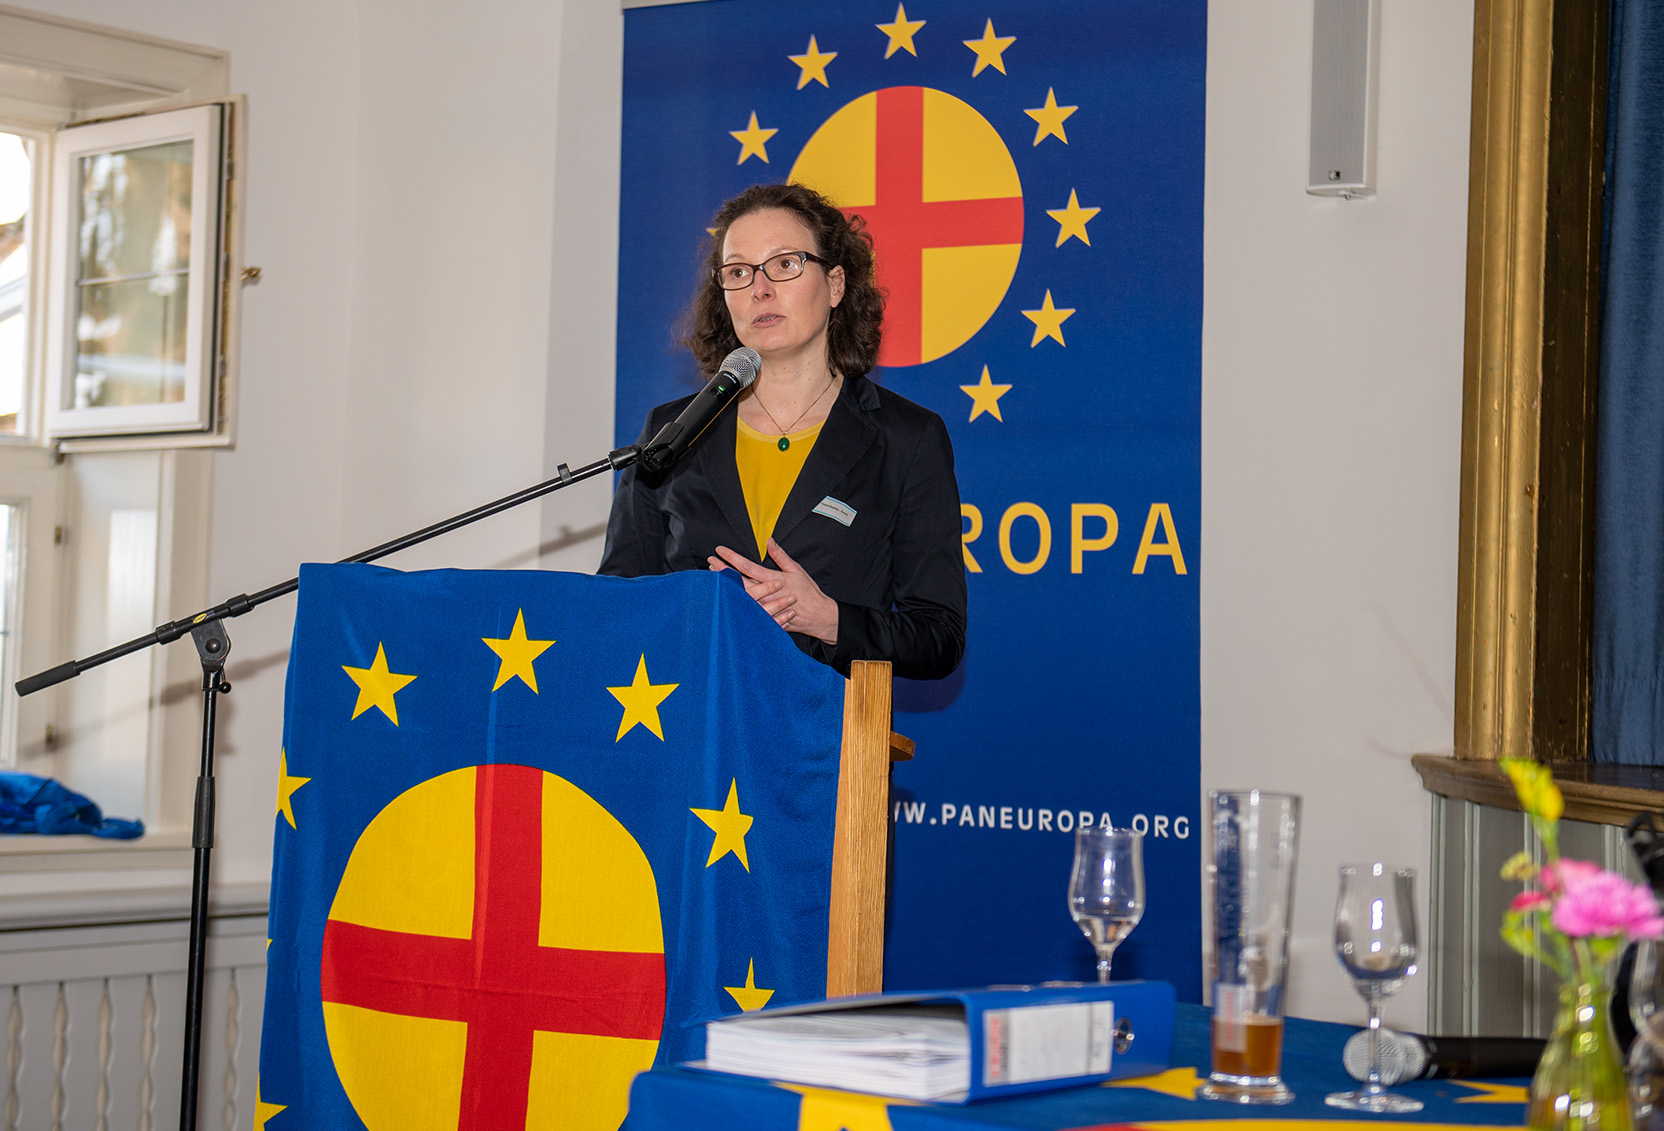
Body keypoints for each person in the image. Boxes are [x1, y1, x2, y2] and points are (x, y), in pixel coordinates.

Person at [599, 183, 966, 681]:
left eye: (785, 264)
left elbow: (939, 638)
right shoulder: (673, 432)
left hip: (826, 723)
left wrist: (828, 619)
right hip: (688, 717)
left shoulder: (906, 438)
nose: (760, 289)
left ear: (835, 284)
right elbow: (617, 606)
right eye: (738, 272)